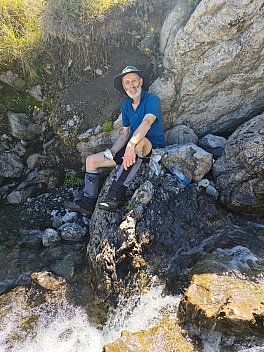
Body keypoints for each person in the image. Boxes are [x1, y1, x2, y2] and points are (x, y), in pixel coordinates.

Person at [65, 65, 164, 216]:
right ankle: (87, 204)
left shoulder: (152, 100)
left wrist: (131, 145)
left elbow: (146, 123)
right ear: (124, 87)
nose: (131, 86)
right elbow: (125, 134)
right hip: (132, 149)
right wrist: (112, 152)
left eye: (134, 81)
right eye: (127, 83)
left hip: (150, 148)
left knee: (139, 142)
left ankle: (114, 197)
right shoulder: (126, 106)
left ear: (141, 81)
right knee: (91, 160)